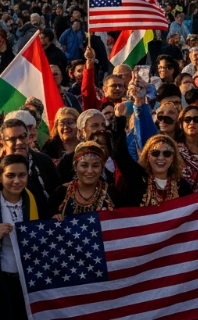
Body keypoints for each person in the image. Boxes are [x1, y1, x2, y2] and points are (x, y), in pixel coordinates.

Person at [112, 104, 192, 207]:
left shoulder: (182, 186)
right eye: (155, 153)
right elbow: (120, 154)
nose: (161, 158)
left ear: (173, 158)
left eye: (167, 153)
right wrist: (119, 120)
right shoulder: (137, 178)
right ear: (147, 156)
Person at [0, 154, 39, 320]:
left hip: (28, 280)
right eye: (10, 175)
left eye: (22, 175)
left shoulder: (34, 200)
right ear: (0, 177)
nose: (17, 181)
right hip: (3, 281)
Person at [2, 118, 61, 216]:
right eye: (12, 139)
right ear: (3, 142)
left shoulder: (44, 161)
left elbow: (58, 192)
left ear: (29, 137)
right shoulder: (1, 166)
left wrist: (56, 213)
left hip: (45, 222)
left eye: (23, 137)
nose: (19, 142)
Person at [48, 141, 120, 218]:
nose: (90, 171)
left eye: (95, 166)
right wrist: (53, 220)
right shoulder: (61, 194)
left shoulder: (112, 194)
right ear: (75, 167)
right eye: (84, 166)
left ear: (102, 168)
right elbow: (46, 220)